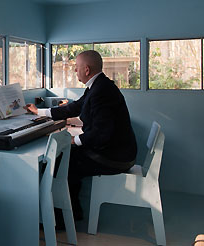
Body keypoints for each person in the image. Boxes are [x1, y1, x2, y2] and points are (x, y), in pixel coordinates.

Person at [25, 50, 137, 221]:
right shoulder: (99, 86)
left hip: (116, 157)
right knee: (68, 157)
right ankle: (71, 210)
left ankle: (63, 217)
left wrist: (73, 140)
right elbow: (73, 108)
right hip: (119, 151)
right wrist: (39, 111)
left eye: (76, 68)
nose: (74, 71)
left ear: (86, 69)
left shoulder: (101, 91)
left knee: (66, 161)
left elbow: (101, 133)